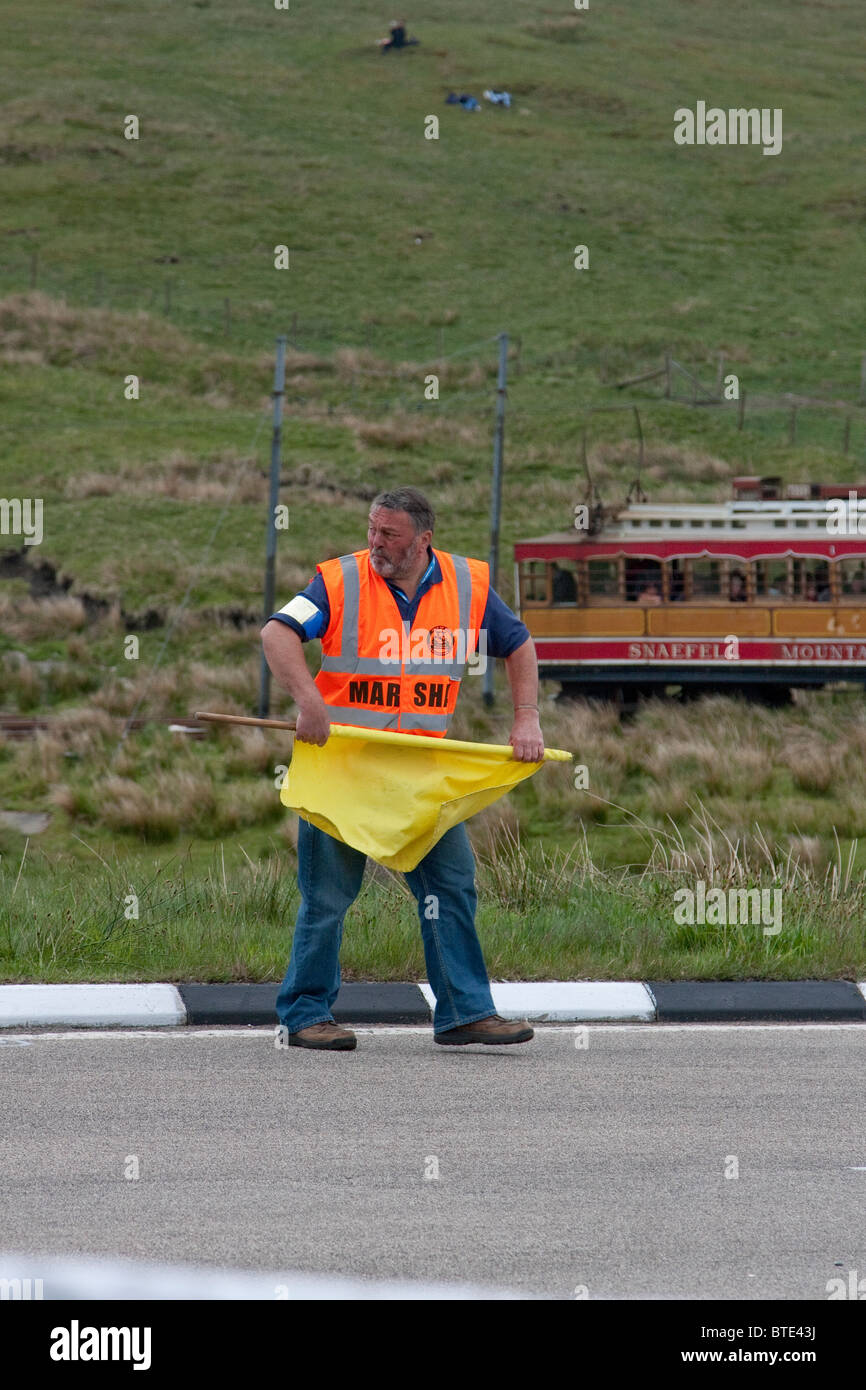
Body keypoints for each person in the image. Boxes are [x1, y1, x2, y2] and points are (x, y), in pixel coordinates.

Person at [261, 487, 543, 1052]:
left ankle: (464, 1013)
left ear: (424, 539)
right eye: (372, 530)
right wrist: (309, 702)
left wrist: (527, 718)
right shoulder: (339, 581)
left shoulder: (468, 586)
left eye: (389, 535)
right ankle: (305, 1014)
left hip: (416, 776)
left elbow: (518, 644)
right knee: (328, 898)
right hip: (342, 770)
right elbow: (276, 633)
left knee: (451, 886)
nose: (376, 543)